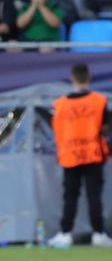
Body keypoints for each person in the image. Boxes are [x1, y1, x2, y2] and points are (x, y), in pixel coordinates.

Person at [49, 63, 112, 249]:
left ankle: (65, 233)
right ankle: (98, 234)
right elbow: (107, 127)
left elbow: (56, 129)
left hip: (70, 155)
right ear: (89, 77)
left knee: (70, 196)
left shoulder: (60, 104)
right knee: (94, 196)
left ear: (72, 78)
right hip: (93, 154)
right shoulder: (99, 101)